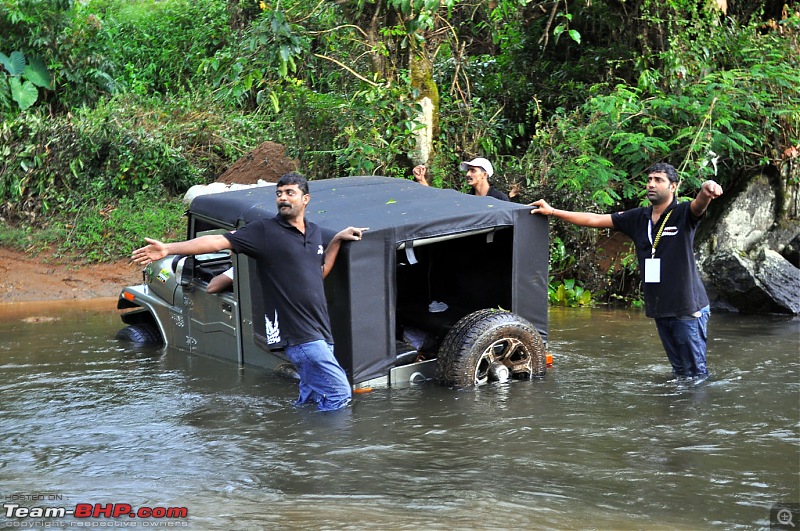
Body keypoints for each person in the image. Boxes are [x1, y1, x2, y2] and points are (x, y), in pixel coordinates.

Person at [132, 172, 367, 411]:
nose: (283, 198)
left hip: (321, 332)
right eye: (279, 194)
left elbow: (320, 272)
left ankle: (301, 442)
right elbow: (216, 242)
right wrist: (169, 248)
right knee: (339, 393)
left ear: (305, 199)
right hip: (299, 336)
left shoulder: (315, 232)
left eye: (289, 193)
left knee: (312, 398)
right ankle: (331, 447)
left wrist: (336, 240)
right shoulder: (264, 231)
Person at [530, 162, 723, 380]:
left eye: (658, 180)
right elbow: (594, 219)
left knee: (696, 374)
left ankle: (695, 411)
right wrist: (553, 211)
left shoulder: (683, 214)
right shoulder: (638, 218)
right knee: (680, 372)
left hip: (688, 307)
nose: (651, 184)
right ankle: (678, 412)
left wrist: (706, 190)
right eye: (649, 179)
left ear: (673, 187)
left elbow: (699, 205)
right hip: (661, 306)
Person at [412, 157, 510, 201]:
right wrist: (421, 180)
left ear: (484, 175)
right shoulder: (467, 199)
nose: (467, 174)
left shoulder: (499, 198)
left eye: (473, 171)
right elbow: (439, 203)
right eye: (468, 170)